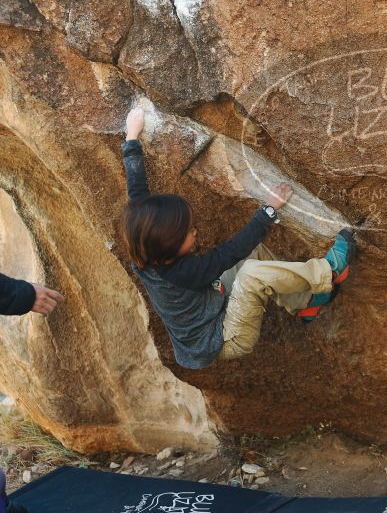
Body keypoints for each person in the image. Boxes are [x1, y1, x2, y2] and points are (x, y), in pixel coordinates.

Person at [120, 108, 355, 369]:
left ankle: (306, 303)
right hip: (225, 336)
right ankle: (328, 274)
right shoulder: (185, 272)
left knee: (253, 255)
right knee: (251, 273)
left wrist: (132, 138)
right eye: (187, 233)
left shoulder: (145, 246)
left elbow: (138, 195)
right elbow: (229, 252)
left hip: (213, 303)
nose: (194, 232)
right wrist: (267, 211)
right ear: (169, 249)